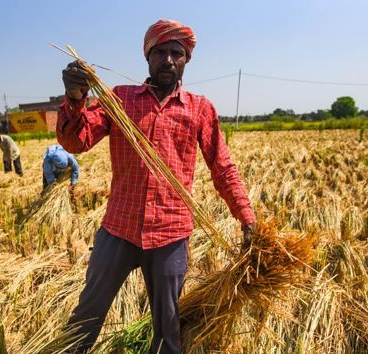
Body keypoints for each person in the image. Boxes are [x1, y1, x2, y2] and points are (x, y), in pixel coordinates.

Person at [57, 19, 256, 353]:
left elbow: (222, 167)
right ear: (147, 57)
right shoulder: (118, 100)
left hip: (171, 234)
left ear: (186, 59)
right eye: (160, 52)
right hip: (118, 229)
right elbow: (76, 142)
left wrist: (246, 217)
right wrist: (75, 96)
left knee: (167, 327)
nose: (168, 60)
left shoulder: (199, 108)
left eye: (176, 53)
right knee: (87, 315)